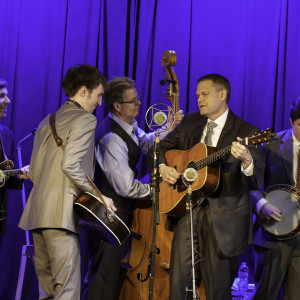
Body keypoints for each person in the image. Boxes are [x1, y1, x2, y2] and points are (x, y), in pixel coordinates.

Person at [158, 74, 265, 300]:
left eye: (205, 94)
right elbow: (160, 148)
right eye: (197, 95)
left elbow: (256, 181)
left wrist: (247, 160)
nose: (199, 99)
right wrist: (162, 168)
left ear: (222, 94)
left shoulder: (247, 132)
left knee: (218, 290)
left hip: (224, 222)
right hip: (187, 212)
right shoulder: (190, 122)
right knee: (178, 285)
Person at [18, 65, 116, 300]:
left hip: (37, 214)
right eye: (99, 95)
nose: (100, 103)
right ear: (84, 91)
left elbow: (36, 173)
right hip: (60, 216)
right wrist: (100, 197)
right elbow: (70, 165)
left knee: (48, 293)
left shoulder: (46, 120)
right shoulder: (85, 119)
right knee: (67, 291)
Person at [83, 76, 183, 300]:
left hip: (118, 219)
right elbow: (126, 187)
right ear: (117, 106)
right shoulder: (111, 139)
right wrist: (157, 190)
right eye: (133, 101)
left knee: (109, 278)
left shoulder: (127, 127)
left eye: (137, 99)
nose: (139, 104)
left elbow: (144, 142)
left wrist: (169, 127)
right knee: (103, 280)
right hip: (108, 220)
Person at [251, 97, 300, 300]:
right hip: (275, 235)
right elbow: (249, 185)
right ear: (291, 120)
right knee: (266, 295)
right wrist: (262, 206)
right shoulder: (270, 144)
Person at [0, 78, 29, 235]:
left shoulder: (6, 134)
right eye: (1, 96)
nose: (8, 101)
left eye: (7, 96)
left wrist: (18, 175)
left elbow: (4, 178)